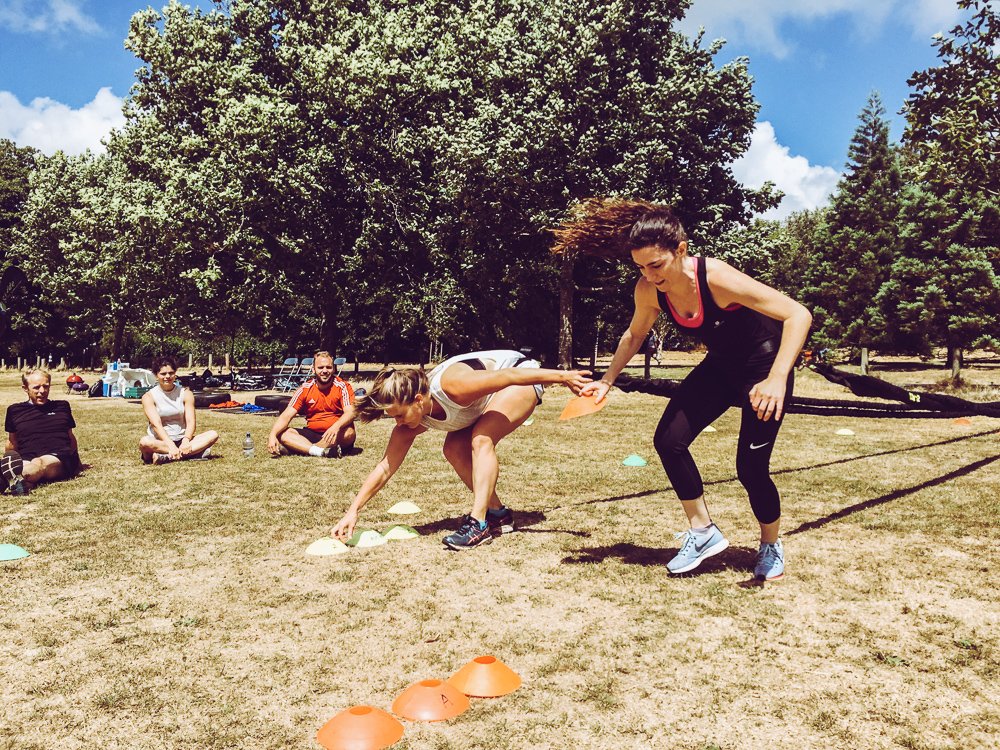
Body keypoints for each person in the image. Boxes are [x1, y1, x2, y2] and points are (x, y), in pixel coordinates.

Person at [554, 198, 812, 580]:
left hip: (762, 367)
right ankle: (703, 531)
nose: (650, 275)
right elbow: (635, 333)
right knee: (669, 441)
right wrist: (607, 380)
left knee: (751, 468)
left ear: (681, 250)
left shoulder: (716, 277)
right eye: (640, 267)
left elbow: (797, 314)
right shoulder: (649, 289)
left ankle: (770, 545)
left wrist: (776, 378)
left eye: (656, 265)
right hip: (721, 367)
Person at [330, 350, 592, 550]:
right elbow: (385, 467)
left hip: (519, 376)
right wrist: (353, 511)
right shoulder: (411, 420)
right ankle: (498, 515)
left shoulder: (453, 386)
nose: (398, 423)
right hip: (487, 397)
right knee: (454, 448)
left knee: (481, 438)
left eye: (399, 415)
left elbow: (508, 376)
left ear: (418, 400)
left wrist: (562, 376)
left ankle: (479, 524)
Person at [3, 369, 82, 495]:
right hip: (26, 459)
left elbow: (70, 436)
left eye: (46, 386)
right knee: (29, 472)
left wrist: (76, 462)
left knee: (39, 462)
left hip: (58, 458)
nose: (42, 391)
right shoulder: (14, 410)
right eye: (36, 387)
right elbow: (12, 441)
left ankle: (6, 479)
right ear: (25, 388)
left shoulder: (62, 406)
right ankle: (20, 485)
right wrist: (11, 459)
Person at [268, 351, 356, 458]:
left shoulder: (343, 387)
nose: (325, 371)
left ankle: (303, 449)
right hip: (312, 433)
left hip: (336, 434)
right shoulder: (305, 389)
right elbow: (286, 416)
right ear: (314, 369)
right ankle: (321, 452)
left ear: (333, 369)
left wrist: (335, 427)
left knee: (349, 433)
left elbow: (351, 412)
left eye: (328, 367)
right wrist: (272, 436)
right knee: (284, 434)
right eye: (320, 367)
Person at [140, 356, 219, 464]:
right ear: (156, 375)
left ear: (175, 373)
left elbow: (191, 421)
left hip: (183, 440)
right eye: (163, 374)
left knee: (213, 434)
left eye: (171, 373)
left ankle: (166, 457)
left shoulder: (186, 393)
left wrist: (186, 440)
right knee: (145, 442)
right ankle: (191, 453)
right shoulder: (148, 397)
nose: (167, 376)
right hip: (161, 441)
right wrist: (170, 445)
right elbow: (156, 425)